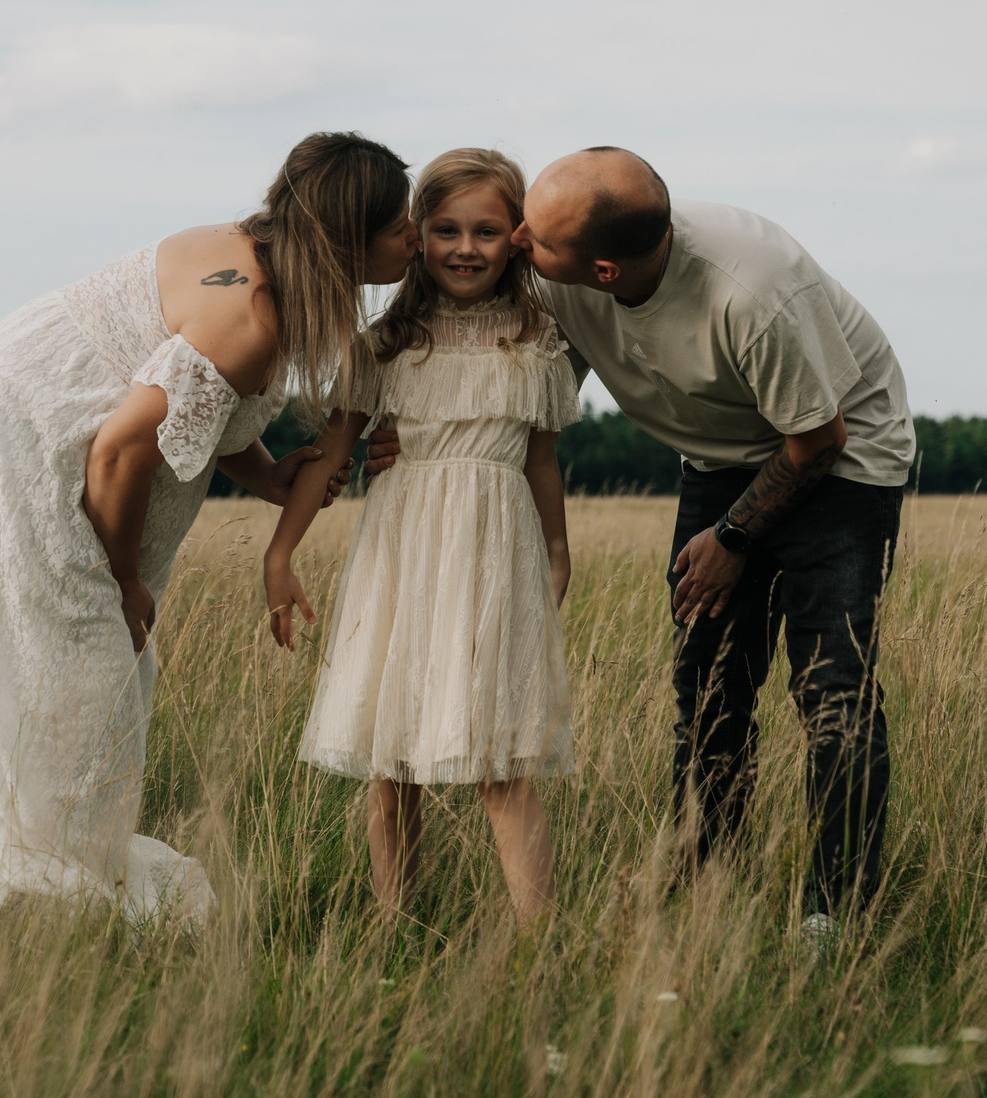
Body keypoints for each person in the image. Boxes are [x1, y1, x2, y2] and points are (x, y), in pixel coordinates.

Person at [0, 132, 415, 925]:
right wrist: (125, 579)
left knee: (64, 681)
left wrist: (275, 477)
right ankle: (33, 902)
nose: (413, 237)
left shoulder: (249, 253)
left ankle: (30, 889)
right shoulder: (249, 314)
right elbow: (122, 444)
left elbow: (203, 415)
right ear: (349, 238)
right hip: (18, 446)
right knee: (81, 672)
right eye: (399, 225)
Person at [515, 147, 913, 930]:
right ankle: (701, 893)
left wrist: (731, 537)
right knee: (707, 684)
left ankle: (833, 917)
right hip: (723, 456)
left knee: (833, 689)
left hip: (843, 455)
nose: (519, 241)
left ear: (601, 269)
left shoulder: (750, 292)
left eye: (537, 236)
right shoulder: (556, 277)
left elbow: (818, 438)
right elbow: (532, 398)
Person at [264, 149, 578, 922]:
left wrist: (558, 546)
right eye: (445, 229)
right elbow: (335, 449)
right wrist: (282, 549)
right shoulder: (385, 342)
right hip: (403, 552)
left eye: (486, 230)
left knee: (502, 755)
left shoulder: (535, 341)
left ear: (517, 238)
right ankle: (394, 920)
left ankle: (544, 939)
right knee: (391, 745)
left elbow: (541, 457)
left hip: (494, 554)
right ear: (416, 234)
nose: (465, 247)